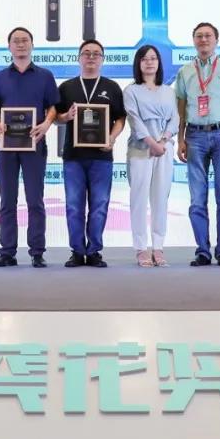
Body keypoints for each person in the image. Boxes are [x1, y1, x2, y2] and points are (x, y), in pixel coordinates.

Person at [0, 27, 60, 268]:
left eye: (25, 40)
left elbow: (53, 107)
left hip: (34, 143)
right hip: (5, 145)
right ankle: (7, 252)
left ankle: (37, 252)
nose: (20, 44)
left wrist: (46, 124)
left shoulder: (45, 76)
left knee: (35, 200)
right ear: (9, 47)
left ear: (32, 45)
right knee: (7, 200)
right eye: (15, 41)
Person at [175, 22, 220, 266]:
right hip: (194, 136)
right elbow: (181, 109)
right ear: (194, 40)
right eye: (199, 36)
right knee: (197, 199)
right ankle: (202, 250)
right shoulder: (185, 71)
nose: (203, 39)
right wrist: (180, 139)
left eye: (208, 36)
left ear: (216, 40)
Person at [55, 39, 126, 268]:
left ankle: (94, 250)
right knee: (74, 205)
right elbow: (55, 118)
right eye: (86, 53)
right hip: (73, 156)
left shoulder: (112, 87)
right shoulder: (67, 87)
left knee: (100, 204)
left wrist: (112, 138)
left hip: (101, 156)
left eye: (96, 53)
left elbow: (120, 118)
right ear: (79, 58)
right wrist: (66, 116)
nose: (91, 57)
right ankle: (77, 251)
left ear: (102, 59)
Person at [124, 45, 179, 267]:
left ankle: (158, 246)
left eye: (153, 58)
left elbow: (175, 119)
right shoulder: (131, 91)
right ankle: (141, 248)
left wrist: (163, 141)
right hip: (140, 149)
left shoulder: (168, 91)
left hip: (164, 149)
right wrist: (151, 143)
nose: (149, 62)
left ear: (159, 63)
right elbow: (134, 119)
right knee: (138, 198)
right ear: (138, 63)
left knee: (160, 198)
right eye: (145, 59)